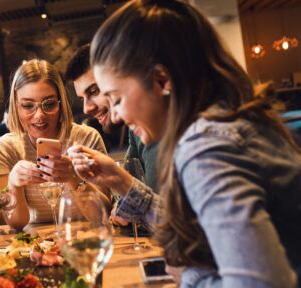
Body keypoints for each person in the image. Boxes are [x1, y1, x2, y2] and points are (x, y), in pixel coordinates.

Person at [70, 0, 300, 287]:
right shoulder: (225, 122)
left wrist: (192, 277)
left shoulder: (207, 146)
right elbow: (202, 231)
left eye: (116, 98)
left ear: (161, 79)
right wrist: (122, 182)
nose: (115, 114)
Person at [0, 59, 110, 230]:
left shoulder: (86, 138)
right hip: (37, 244)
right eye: (28, 106)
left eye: (49, 104)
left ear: (61, 103)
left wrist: (72, 178)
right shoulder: (6, 147)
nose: (39, 115)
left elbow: (102, 215)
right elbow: (17, 223)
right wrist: (13, 183)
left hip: (85, 238)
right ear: (15, 107)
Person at [66, 44, 160, 227]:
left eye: (94, 91)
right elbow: (127, 194)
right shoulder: (135, 130)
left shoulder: (198, 137)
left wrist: (123, 186)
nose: (86, 108)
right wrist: (120, 183)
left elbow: (190, 227)